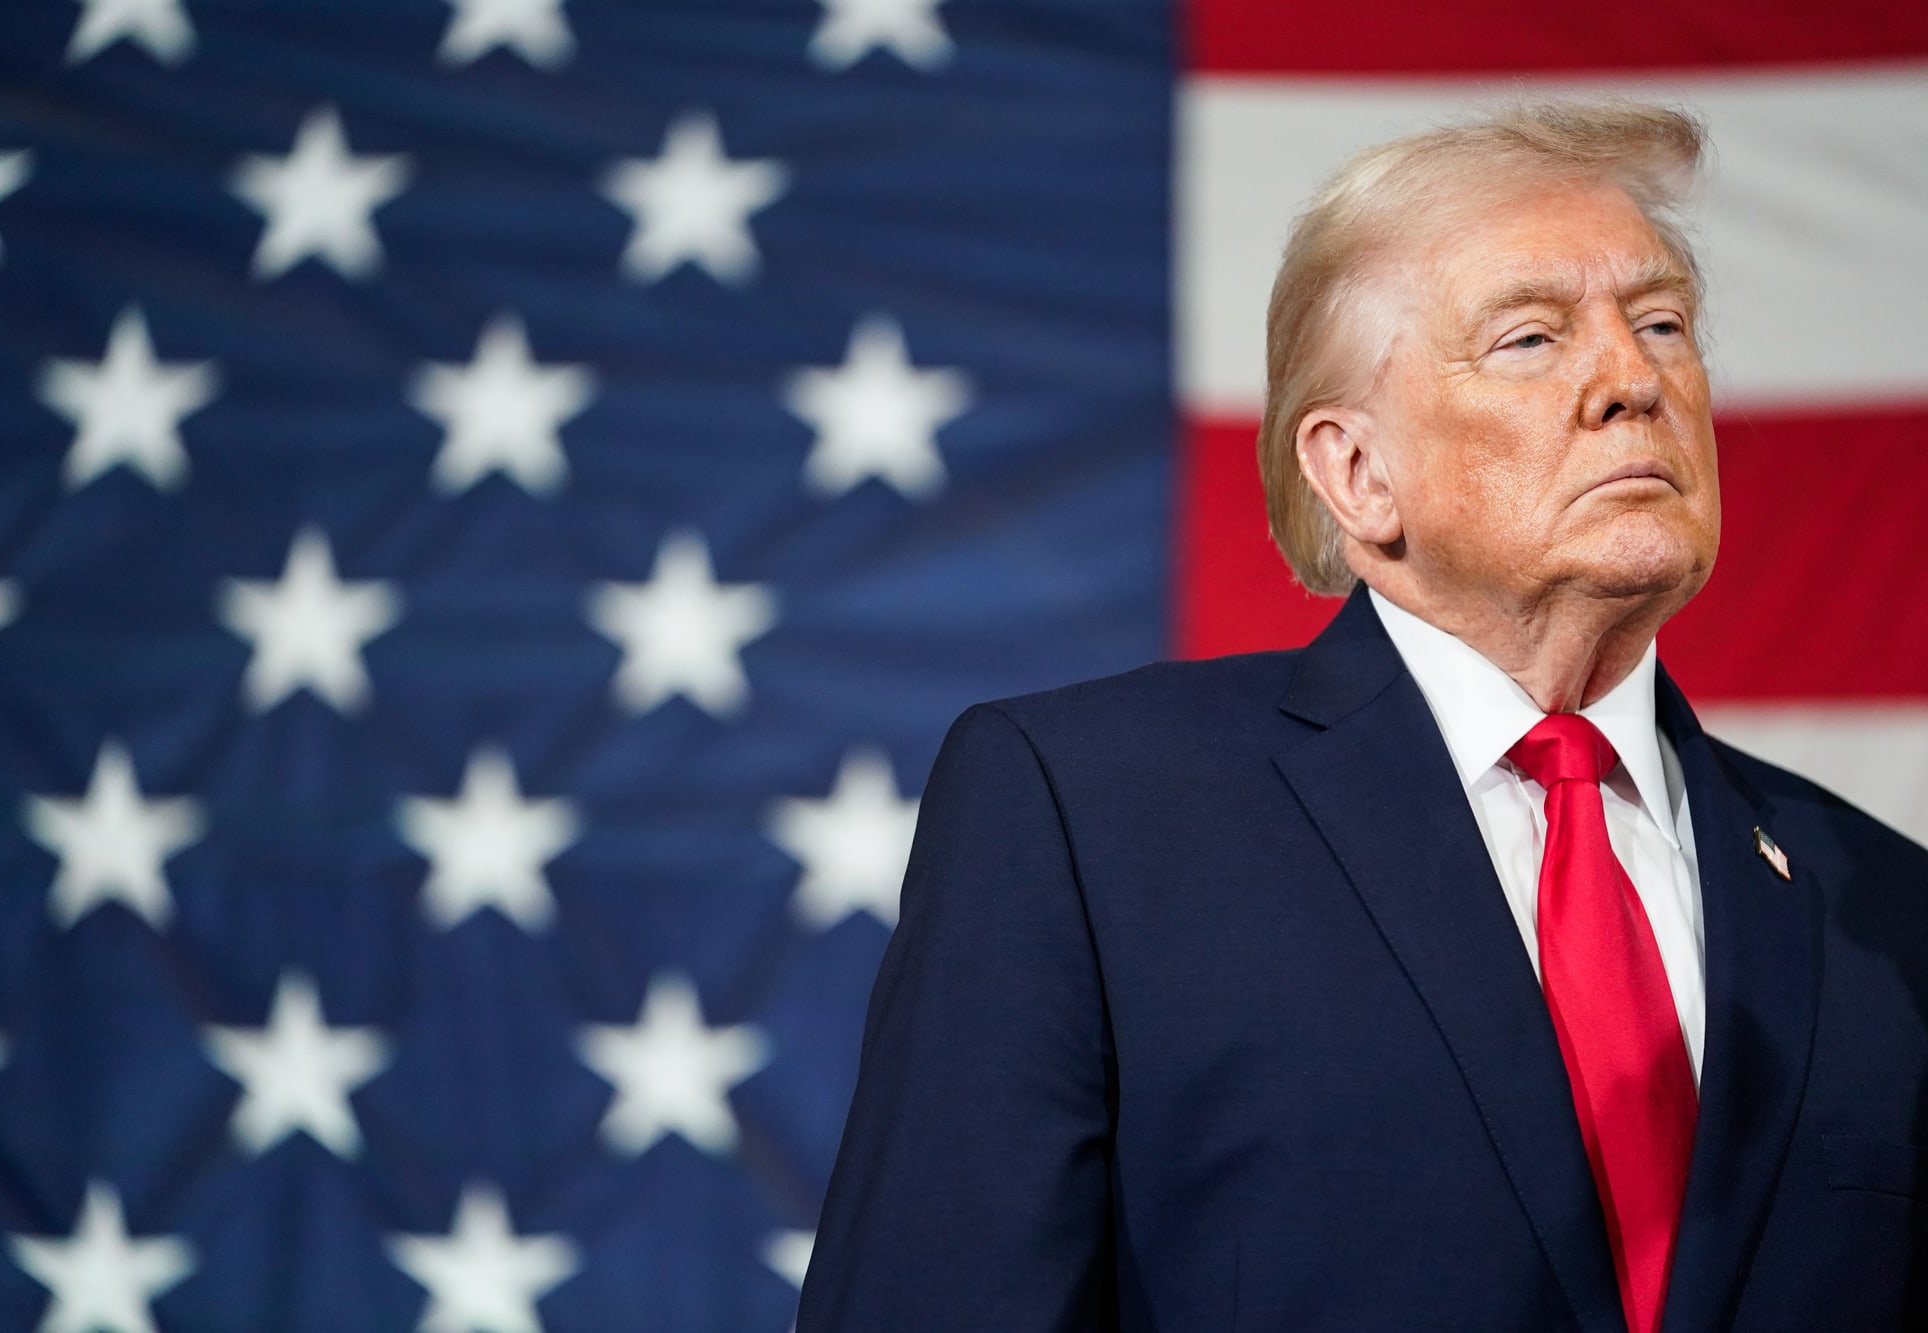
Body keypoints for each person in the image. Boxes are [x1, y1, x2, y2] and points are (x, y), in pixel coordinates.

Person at [796, 101, 1928, 1332]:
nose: (1632, 378)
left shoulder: (1881, 906)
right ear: (1355, 474)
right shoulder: (1090, 819)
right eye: (1530, 338)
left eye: (1659, 322)